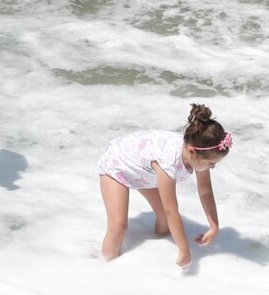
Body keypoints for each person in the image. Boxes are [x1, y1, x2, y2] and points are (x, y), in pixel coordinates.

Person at [96, 103, 231, 267]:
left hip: (145, 172)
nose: (212, 166)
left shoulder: (199, 156)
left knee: (164, 220)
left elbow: (205, 192)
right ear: (191, 151)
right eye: (210, 162)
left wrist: (214, 226)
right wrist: (184, 250)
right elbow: (171, 211)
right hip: (118, 164)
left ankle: (157, 243)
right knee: (119, 227)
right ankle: (105, 265)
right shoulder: (169, 162)